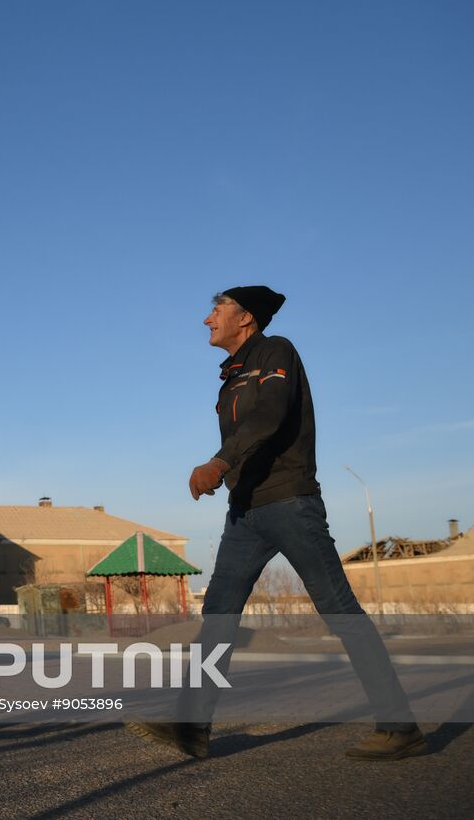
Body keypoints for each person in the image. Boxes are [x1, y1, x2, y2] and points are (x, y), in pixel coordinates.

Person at [126, 286, 426, 761]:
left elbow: (269, 414)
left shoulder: (275, 350)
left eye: (215, 310)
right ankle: (191, 727)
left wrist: (219, 462)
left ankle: (399, 727)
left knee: (339, 609)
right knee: (219, 615)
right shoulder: (230, 377)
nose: (207, 320)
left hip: (289, 502)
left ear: (245, 317)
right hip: (245, 513)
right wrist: (231, 478)